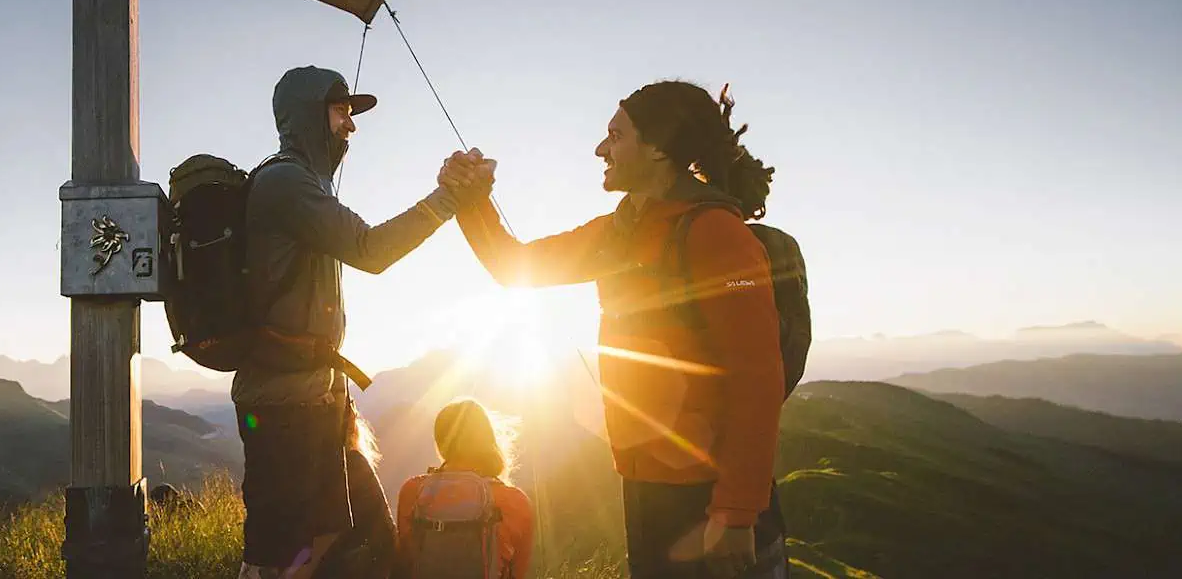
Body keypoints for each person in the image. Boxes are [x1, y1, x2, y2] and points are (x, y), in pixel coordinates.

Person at [439, 81, 788, 579]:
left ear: (658, 148)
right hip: (646, 489)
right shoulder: (619, 232)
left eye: (616, 136)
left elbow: (757, 378)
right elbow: (513, 265)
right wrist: (470, 199)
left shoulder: (718, 235)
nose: (601, 149)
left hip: (708, 496)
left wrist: (736, 512)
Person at [235, 65, 464, 579]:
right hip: (285, 407)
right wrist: (448, 199)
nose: (351, 125)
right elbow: (370, 249)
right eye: (341, 111)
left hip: (314, 397)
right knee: (288, 554)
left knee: (357, 538)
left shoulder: (303, 183)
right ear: (309, 114)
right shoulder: (286, 183)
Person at [392, 399, 537, 579]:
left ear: (441, 443)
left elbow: (406, 563)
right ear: (487, 439)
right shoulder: (514, 501)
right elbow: (518, 572)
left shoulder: (414, 492)